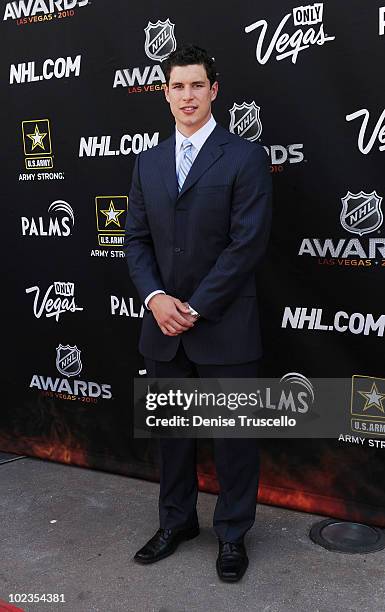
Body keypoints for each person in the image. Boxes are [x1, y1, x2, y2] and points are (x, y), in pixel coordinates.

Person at [124, 44, 272, 582]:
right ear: (165, 94)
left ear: (214, 91)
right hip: (163, 327)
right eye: (176, 86)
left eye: (196, 85)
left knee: (234, 442)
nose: (187, 95)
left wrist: (196, 306)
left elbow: (247, 243)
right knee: (172, 437)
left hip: (225, 326)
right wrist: (157, 300)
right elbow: (135, 241)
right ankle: (176, 523)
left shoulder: (245, 158)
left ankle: (232, 535)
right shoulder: (148, 162)